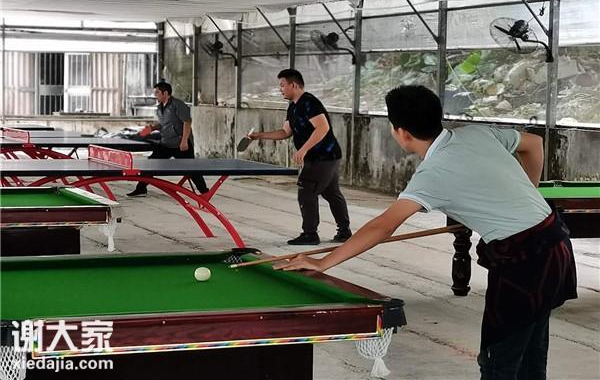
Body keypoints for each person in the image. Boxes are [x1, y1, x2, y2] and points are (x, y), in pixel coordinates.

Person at [276, 85, 578, 379]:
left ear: (401, 133)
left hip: (524, 262)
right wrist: (527, 196)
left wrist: (323, 262)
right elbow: (534, 143)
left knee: (499, 360)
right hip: (555, 241)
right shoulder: (477, 133)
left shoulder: (431, 174)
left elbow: (383, 226)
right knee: (531, 350)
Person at [250, 69, 351, 245]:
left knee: (307, 191)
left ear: (294, 85)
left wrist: (303, 149)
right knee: (331, 193)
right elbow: (285, 132)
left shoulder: (309, 102)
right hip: (323, 157)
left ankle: (310, 234)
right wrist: (259, 135)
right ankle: (344, 232)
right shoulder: (293, 106)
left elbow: (323, 127)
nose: (280, 89)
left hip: (324, 156)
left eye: (283, 85)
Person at [127, 81, 209, 197]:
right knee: (151, 164)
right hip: (166, 143)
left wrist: (184, 141)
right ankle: (141, 188)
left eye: (157, 93)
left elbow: (187, 122)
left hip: (180, 144)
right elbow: (163, 124)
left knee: (191, 169)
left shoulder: (178, 105)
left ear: (165, 93)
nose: (155, 95)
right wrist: (151, 129)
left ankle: (204, 191)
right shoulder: (160, 107)